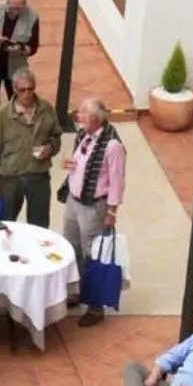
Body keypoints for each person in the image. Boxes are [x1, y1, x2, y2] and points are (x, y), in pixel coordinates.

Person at [61, 97, 125, 326]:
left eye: (82, 114)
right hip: (74, 201)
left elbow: (117, 181)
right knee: (71, 247)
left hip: (94, 207)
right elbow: (82, 163)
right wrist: (70, 164)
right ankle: (76, 290)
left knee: (93, 255)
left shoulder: (112, 146)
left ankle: (96, 307)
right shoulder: (83, 136)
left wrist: (112, 212)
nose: (78, 117)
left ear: (95, 119)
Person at [0, 65, 61, 227]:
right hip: (10, 177)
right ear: (15, 90)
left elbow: (56, 136)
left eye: (30, 89)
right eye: (22, 90)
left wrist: (50, 149)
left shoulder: (46, 109)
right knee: (6, 225)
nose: (27, 94)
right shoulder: (4, 113)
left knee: (40, 225)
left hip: (38, 176)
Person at [0, 0, 41, 105]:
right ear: (6, 2)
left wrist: (22, 48)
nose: (15, 12)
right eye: (12, 8)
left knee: (17, 99)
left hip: (15, 65)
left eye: (19, 8)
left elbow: (34, 46)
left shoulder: (32, 17)